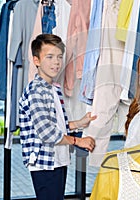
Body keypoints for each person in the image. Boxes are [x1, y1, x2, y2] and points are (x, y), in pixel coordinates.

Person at [19, 34, 96, 200]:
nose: (56, 62)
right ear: (36, 60)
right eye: (50, 57)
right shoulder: (36, 91)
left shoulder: (54, 88)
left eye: (59, 57)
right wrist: (78, 141)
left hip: (57, 159)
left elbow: (56, 124)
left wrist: (79, 123)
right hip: (44, 163)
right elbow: (47, 132)